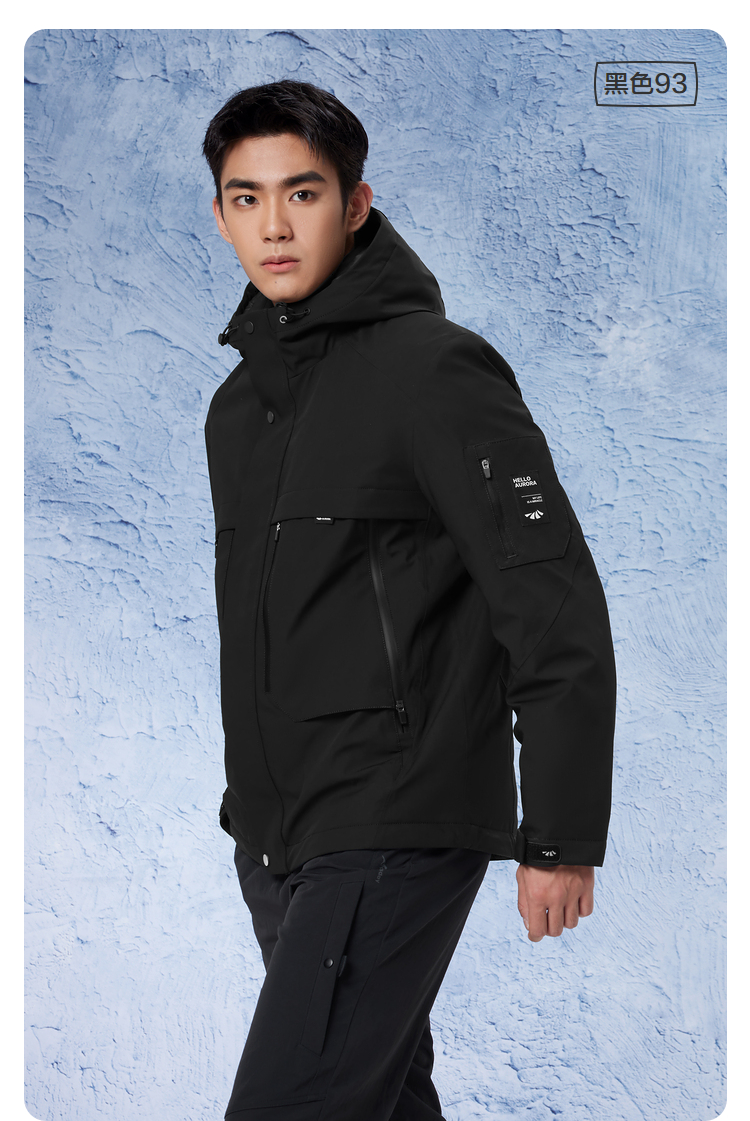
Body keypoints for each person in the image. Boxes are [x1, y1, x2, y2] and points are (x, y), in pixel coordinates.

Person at [201, 79, 616, 1121]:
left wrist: (560, 831)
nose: (275, 224)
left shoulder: (437, 371)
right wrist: (253, 822)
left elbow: (550, 597)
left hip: (394, 817)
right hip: (277, 839)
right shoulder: (238, 410)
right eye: (247, 198)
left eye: (302, 192)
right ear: (222, 216)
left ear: (356, 204)